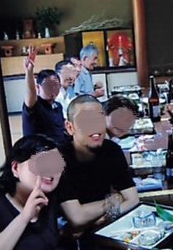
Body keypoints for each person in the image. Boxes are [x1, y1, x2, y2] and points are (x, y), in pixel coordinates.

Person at [56, 94, 140, 235]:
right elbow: (77, 218)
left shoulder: (112, 150)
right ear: (70, 127)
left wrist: (103, 219)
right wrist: (115, 200)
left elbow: (133, 199)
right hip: (65, 238)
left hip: (104, 230)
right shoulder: (59, 158)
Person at [22, 47, 68, 145]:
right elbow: (31, 92)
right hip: (39, 151)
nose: (52, 89)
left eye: (55, 85)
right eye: (47, 86)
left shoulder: (58, 106)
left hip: (59, 150)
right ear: (38, 87)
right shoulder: (35, 105)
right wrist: (29, 71)